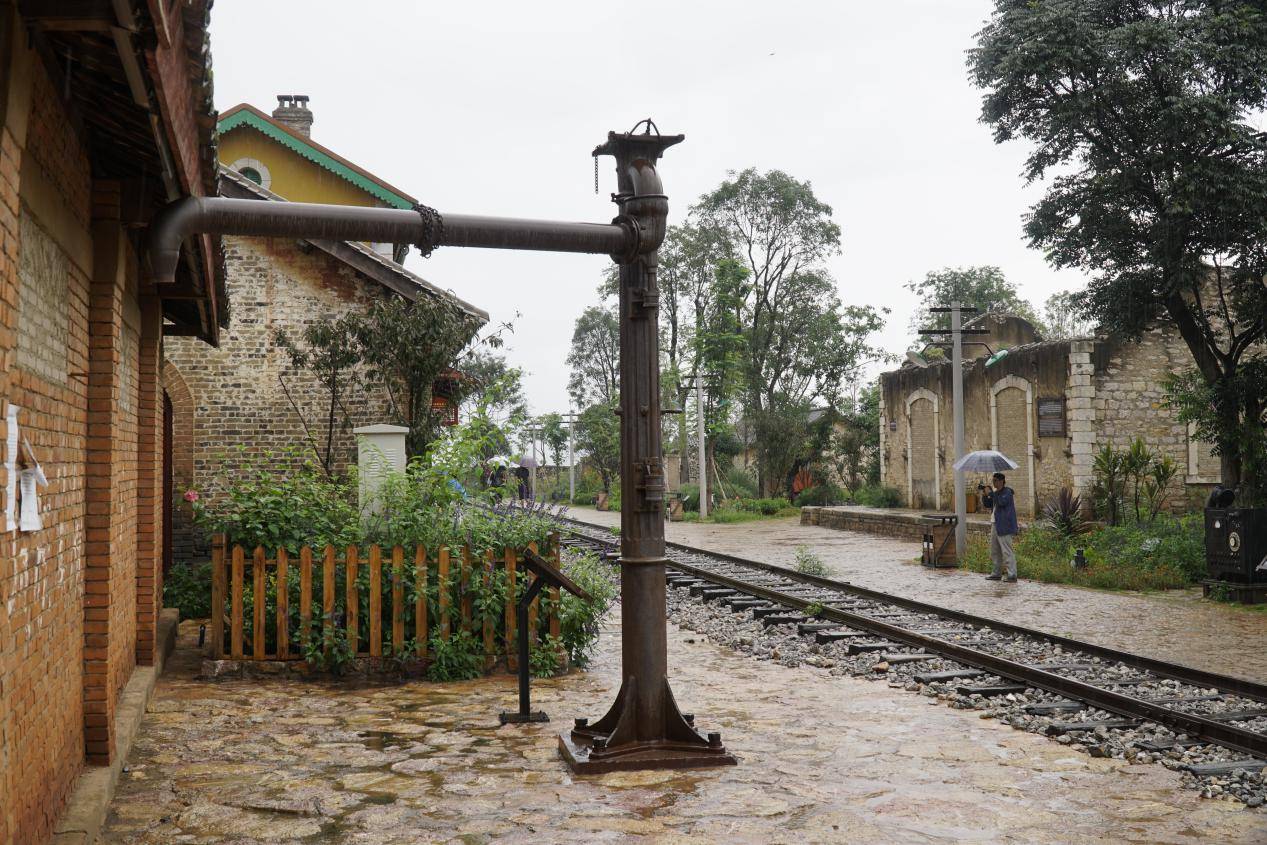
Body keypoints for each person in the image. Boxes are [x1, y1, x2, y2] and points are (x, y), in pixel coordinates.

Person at [980, 472, 1018, 583]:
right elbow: (988, 504)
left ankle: (1012, 574)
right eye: (993, 480)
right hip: (995, 523)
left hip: (1004, 525)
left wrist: (991, 493)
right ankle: (996, 573)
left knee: (1007, 551)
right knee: (995, 550)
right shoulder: (996, 493)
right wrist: (984, 494)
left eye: (996, 480)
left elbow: (1001, 502)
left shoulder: (1008, 492)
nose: (994, 482)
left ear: (1002, 481)